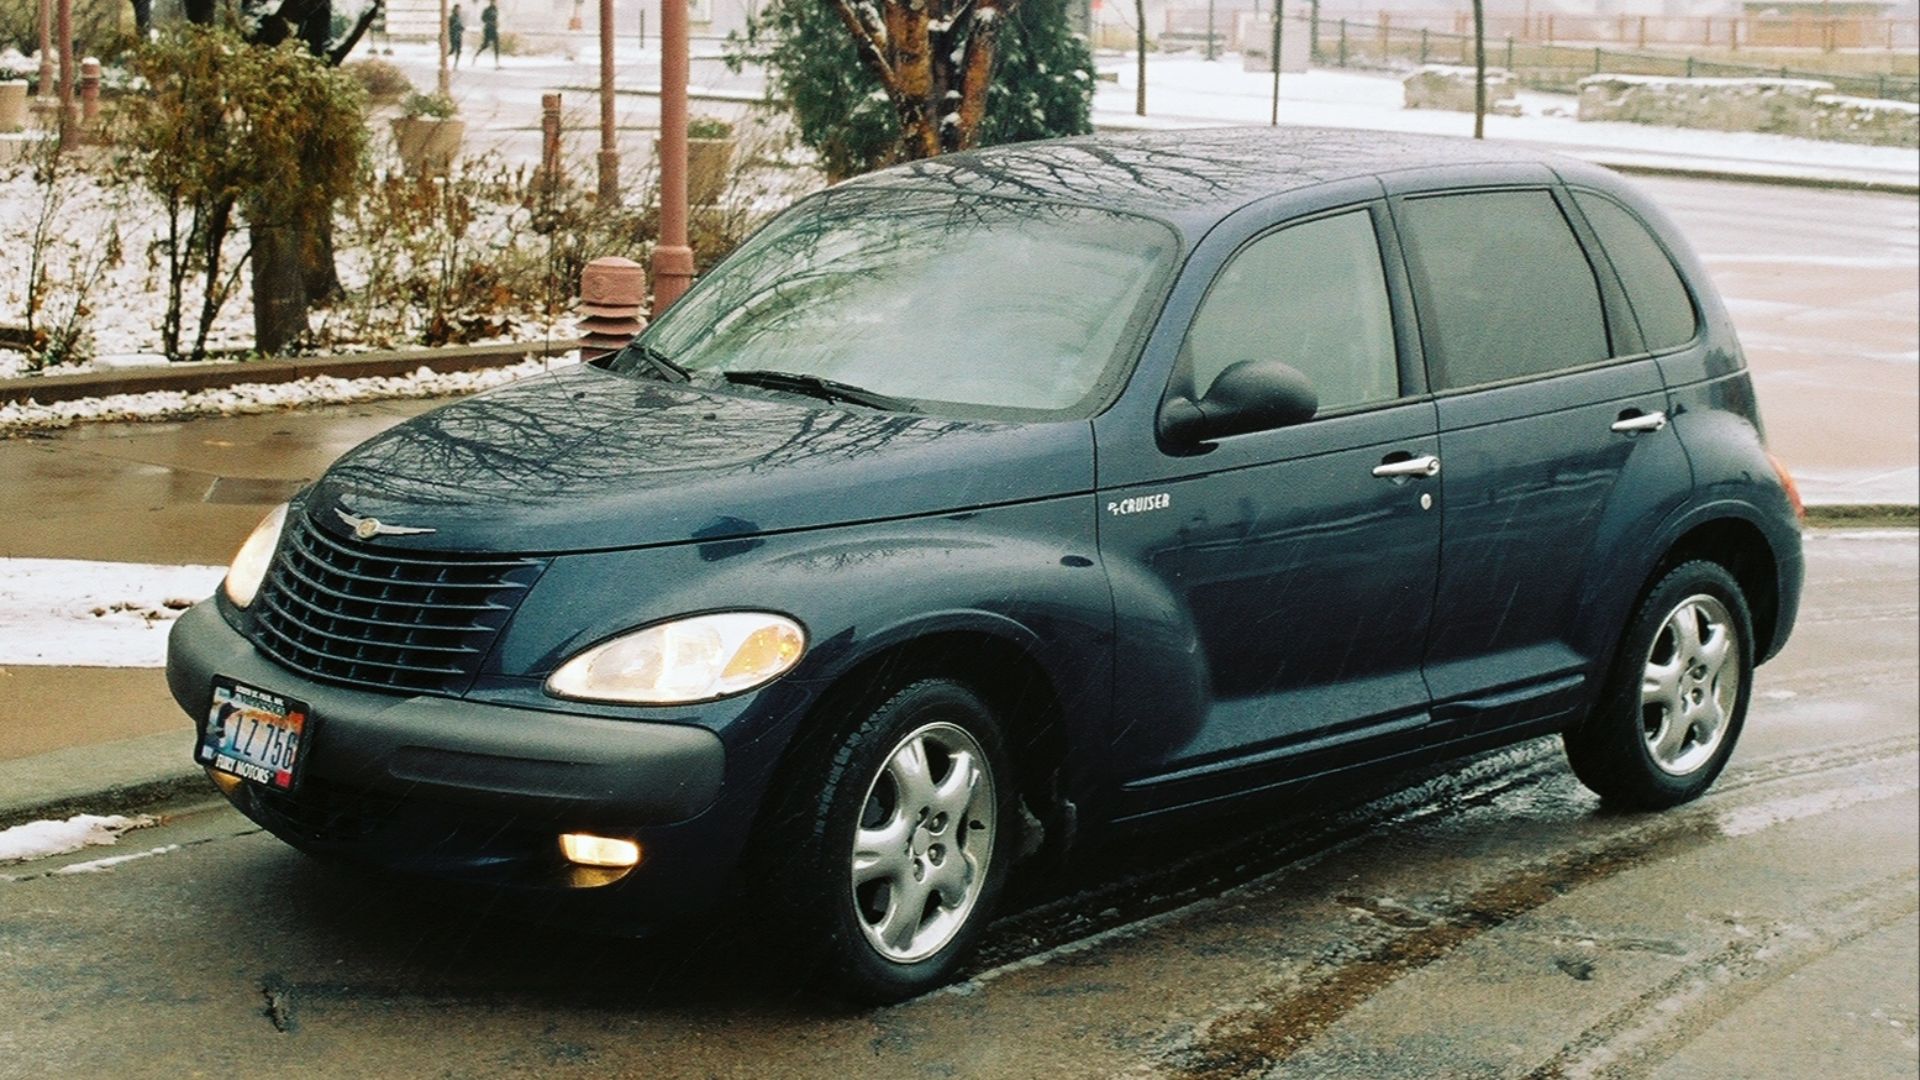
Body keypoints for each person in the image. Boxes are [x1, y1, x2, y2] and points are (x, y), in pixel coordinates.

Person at [480, 0, 502, 68]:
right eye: (493, 1)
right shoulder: (486, 10)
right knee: (485, 45)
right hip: (488, 29)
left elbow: (496, 19)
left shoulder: (496, 10)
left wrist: (497, 23)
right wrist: (490, 22)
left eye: (495, 2)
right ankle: (476, 55)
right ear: (490, 2)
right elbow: (483, 19)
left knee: (497, 45)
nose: (494, 3)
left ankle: (497, 63)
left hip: (494, 29)